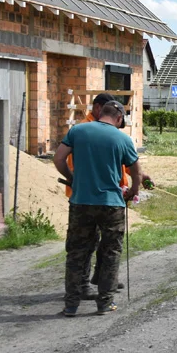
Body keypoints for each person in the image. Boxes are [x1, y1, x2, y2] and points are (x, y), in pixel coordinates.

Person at [54, 101, 141, 317]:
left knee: (76, 253)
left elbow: (58, 158)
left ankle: (71, 305)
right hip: (111, 205)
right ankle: (105, 303)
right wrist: (133, 191)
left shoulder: (78, 131)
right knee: (111, 252)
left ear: (100, 112)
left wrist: (72, 178)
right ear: (119, 118)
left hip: (81, 202)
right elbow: (136, 172)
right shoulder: (123, 139)